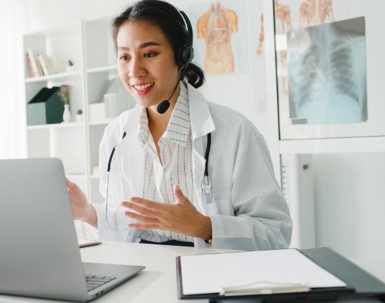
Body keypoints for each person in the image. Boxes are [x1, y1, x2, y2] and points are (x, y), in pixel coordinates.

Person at [68, 0, 292, 251]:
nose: (135, 70)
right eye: (124, 57)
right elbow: (122, 224)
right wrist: (87, 212)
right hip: (140, 267)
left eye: (149, 54)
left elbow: (275, 233)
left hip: (212, 272)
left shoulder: (236, 132)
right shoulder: (115, 136)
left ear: (182, 56)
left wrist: (204, 227)